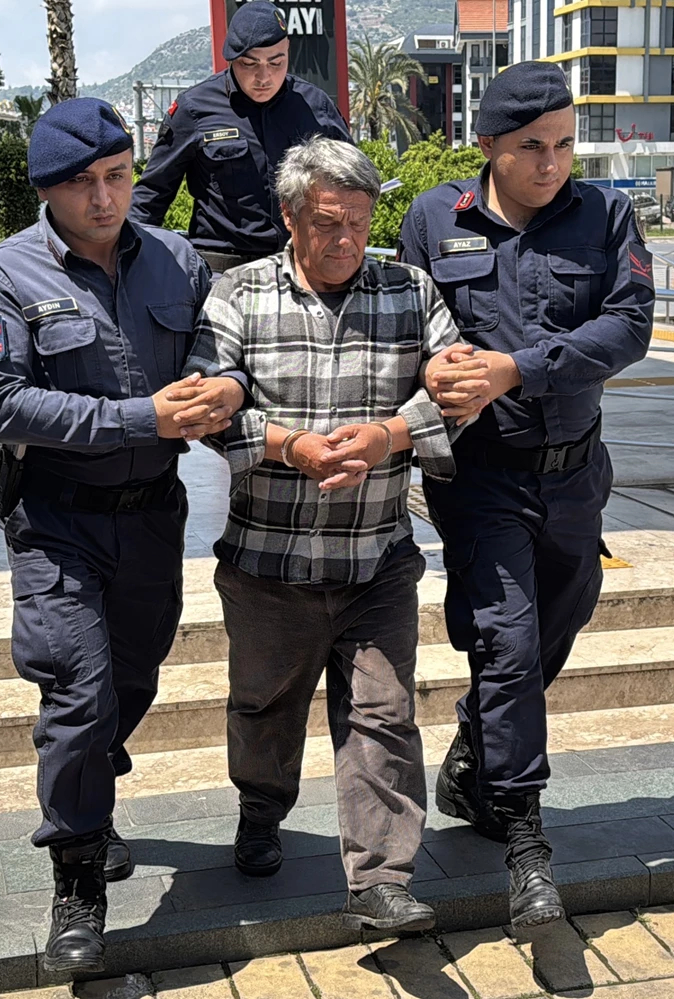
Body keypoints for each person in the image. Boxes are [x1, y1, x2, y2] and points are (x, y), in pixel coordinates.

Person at [0, 98, 246, 976]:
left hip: (153, 517)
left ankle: (90, 778)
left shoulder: (176, 259)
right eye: (82, 183)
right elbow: (3, 404)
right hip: (56, 519)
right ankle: (78, 878)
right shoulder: (3, 275)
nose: (104, 197)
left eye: (117, 176)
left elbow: (215, 351)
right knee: (78, 694)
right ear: (48, 189)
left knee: (133, 675)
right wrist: (141, 416)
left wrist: (222, 387)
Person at [177, 135, 488, 932]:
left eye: (358, 220)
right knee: (264, 710)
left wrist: (390, 433)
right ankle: (260, 808)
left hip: (376, 557)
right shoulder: (238, 293)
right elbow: (205, 405)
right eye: (326, 222)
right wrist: (288, 446)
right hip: (267, 560)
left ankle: (381, 879)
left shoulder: (410, 290)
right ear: (290, 217)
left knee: (383, 716)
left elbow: (459, 387)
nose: (346, 238)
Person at [398, 61, 655, 931]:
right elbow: (403, 326)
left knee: (561, 617)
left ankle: (477, 750)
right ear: (488, 146)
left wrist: (518, 367)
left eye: (564, 145)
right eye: (532, 147)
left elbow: (628, 325)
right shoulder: (435, 218)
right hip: (482, 475)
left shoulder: (605, 215)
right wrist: (430, 368)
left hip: (575, 474)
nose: (552, 163)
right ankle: (525, 840)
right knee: (506, 641)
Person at [129, 0, 352, 275]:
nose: (264, 77)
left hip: (302, 270)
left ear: (288, 49)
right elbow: (151, 195)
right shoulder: (195, 109)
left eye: (276, 62)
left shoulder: (316, 107)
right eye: (250, 63)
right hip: (222, 274)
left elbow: (352, 186)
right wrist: (128, 263)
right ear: (232, 57)